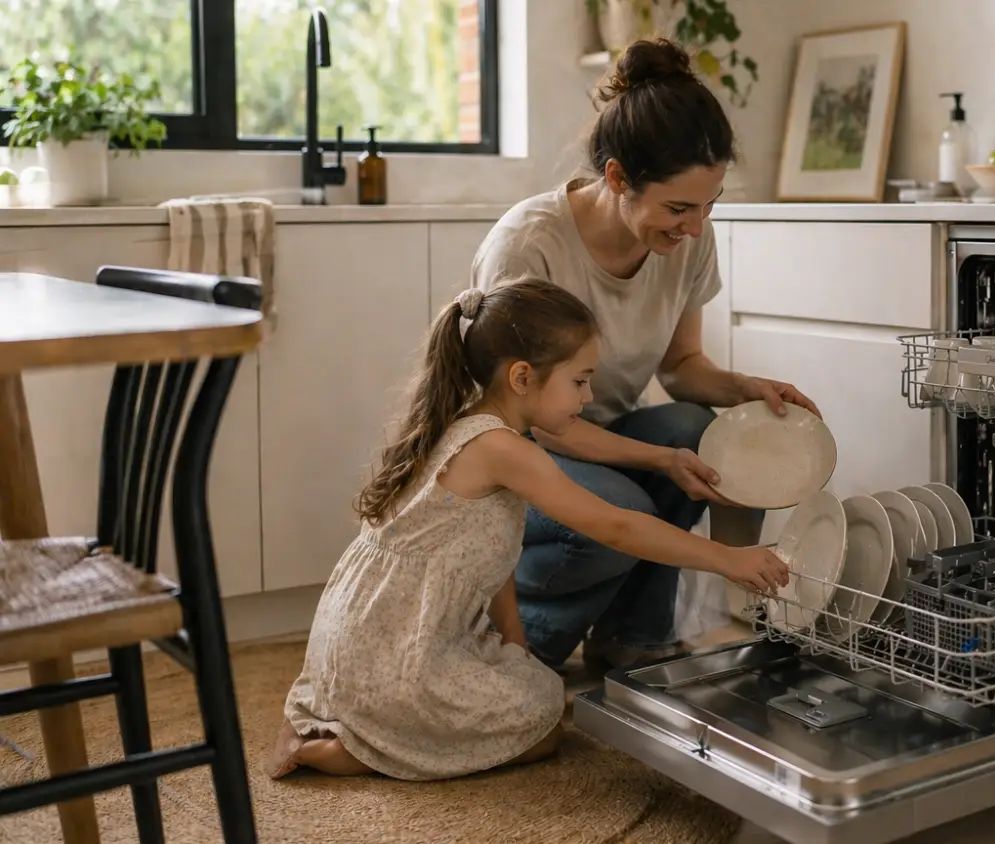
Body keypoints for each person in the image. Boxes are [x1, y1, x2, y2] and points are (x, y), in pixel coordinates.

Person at [267, 280, 789, 780]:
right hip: (395, 654)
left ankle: (355, 721)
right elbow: (616, 525)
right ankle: (338, 750)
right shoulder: (502, 449)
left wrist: (513, 635)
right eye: (580, 381)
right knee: (541, 728)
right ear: (522, 377)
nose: (587, 399)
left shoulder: (465, 423)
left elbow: (485, 554)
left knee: (535, 686)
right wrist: (728, 558)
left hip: (365, 642)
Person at [470, 38, 818, 670]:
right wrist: (659, 459)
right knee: (624, 511)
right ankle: (511, 649)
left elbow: (682, 368)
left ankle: (634, 640)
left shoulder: (688, 239)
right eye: (678, 208)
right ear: (617, 179)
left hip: (597, 437)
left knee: (701, 433)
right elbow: (528, 421)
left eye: (708, 207)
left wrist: (747, 390)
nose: (693, 228)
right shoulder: (529, 247)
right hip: (514, 455)